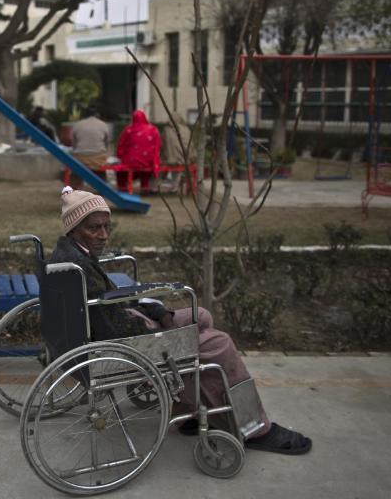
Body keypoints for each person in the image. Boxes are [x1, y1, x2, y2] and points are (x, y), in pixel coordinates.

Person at [47, 186, 312, 455]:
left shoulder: (69, 256)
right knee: (219, 343)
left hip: (108, 331)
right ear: (74, 228)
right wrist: (158, 325)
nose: (103, 235)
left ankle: (191, 410)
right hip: (122, 343)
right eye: (94, 228)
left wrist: (156, 311)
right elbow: (110, 320)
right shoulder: (79, 266)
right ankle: (255, 429)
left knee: (202, 316)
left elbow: (107, 307)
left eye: (106, 227)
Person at [115, 109, 162, 194]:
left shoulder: (128, 130)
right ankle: (145, 188)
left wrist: (120, 156)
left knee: (121, 172)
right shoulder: (153, 130)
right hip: (147, 162)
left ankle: (122, 189)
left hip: (130, 162)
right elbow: (157, 147)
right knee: (145, 172)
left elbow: (120, 146)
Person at [70, 106, 110, 185]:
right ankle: (102, 186)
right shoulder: (103, 125)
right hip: (98, 158)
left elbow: (74, 144)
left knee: (76, 171)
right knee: (101, 172)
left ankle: (75, 186)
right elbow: (106, 143)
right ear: (96, 114)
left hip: (81, 158)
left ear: (84, 115)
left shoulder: (77, 125)